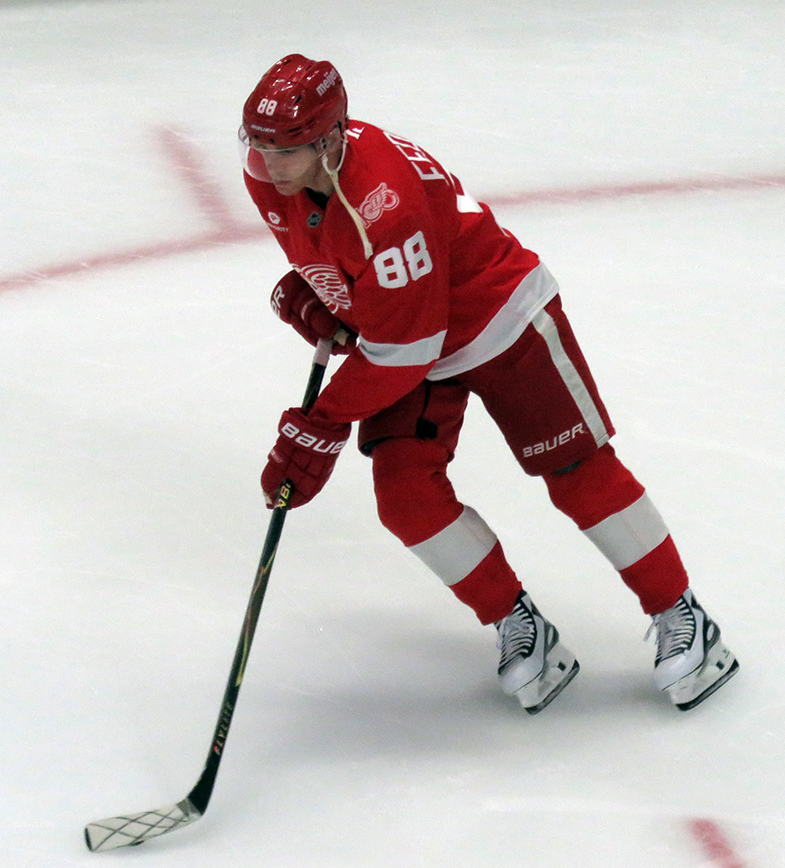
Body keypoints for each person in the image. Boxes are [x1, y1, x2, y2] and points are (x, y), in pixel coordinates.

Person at [239, 53, 739, 714]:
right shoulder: (273, 176)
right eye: (260, 144)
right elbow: (361, 286)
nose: (270, 163)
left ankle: (683, 616)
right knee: (406, 499)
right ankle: (517, 623)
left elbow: (405, 347)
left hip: (499, 316)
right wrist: (326, 299)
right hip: (412, 335)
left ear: (330, 141)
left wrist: (324, 424)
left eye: (290, 149)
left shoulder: (383, 199)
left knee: (577, 472)